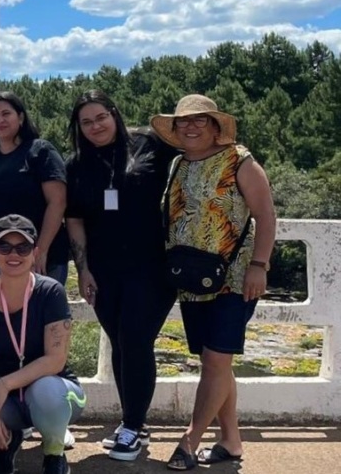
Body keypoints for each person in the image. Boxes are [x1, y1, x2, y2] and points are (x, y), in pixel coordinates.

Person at [149, 95, 276, 471]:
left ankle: (190, 441)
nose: (190, 127)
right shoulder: (177, 165)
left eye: (199, 121)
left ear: (215, 126)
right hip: (191, 279)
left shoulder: (239, 159)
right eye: (183, 122)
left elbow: (266, 214)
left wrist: (259, 265)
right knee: (215, 362)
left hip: (234, 277)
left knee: (216, 359)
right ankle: (231, 442)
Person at [65, 90, 177, 461]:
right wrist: (83, 270)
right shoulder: (77, 165)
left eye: (101, 117)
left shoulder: (150, 144)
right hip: (104, 269)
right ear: (78, 128)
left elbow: (193, 160)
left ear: (114, 113)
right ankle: (136, 425)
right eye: (86, 122)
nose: (95, 126)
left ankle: (131, 425)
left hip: (152, 265)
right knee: (120, 341)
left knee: (136, 339)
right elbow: (75, 219)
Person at [0, 215, 86, 474]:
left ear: (35, 252)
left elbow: (55, 360)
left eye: (22, 247)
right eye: (5, 247)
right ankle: (6, 444)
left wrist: (4, 384)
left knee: (46, 390)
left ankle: (54, 454)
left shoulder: (51, 292)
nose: (14, 254)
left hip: (53, 393)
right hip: (7, 398)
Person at [0, 91, 70, 284]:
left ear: (21, 117)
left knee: (40, 313)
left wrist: (40, 251)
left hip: (39, 256)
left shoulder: (40, 151)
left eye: (6, 113)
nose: (0, 120)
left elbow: (58, 202)